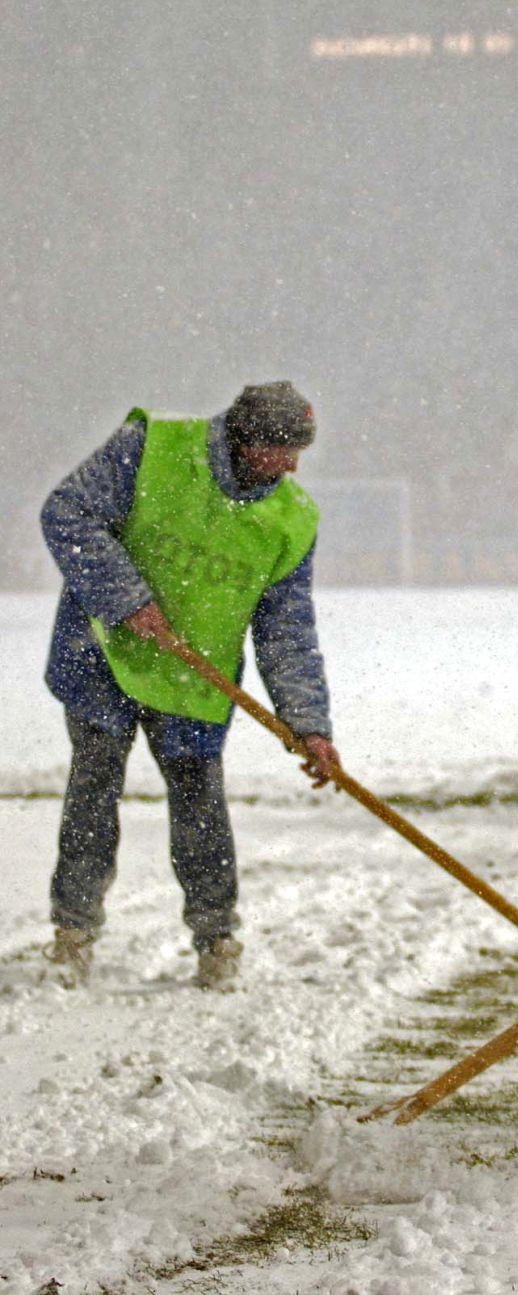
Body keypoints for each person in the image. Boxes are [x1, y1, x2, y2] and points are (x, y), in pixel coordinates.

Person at [41, 381, 340, 989]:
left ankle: (217, 939)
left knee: (200, 801)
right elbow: (67, 513)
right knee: (94, 784)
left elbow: (286, 628)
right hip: (104, 653)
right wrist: (125, 599)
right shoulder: (150, 447)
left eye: (298, 452)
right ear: (243, 435)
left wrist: (308, 726)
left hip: (197, 678)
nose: (291, 465)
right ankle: (72, 934)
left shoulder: (291, 518)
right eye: (280, 449)